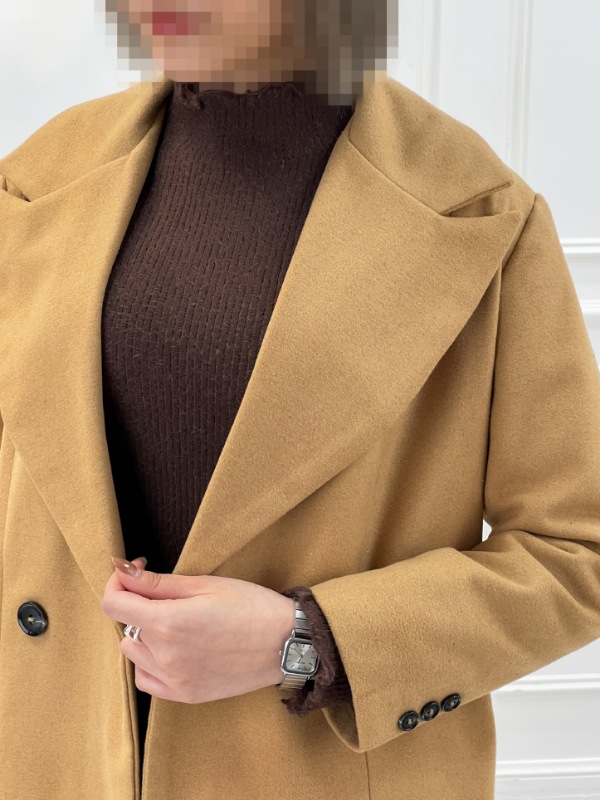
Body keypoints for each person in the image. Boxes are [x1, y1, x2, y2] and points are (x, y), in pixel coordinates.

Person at [0, 3, 598, 800]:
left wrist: (309, 642)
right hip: (52, 761)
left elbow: (577, 552)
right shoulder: (41, 175)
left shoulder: (479, 210)